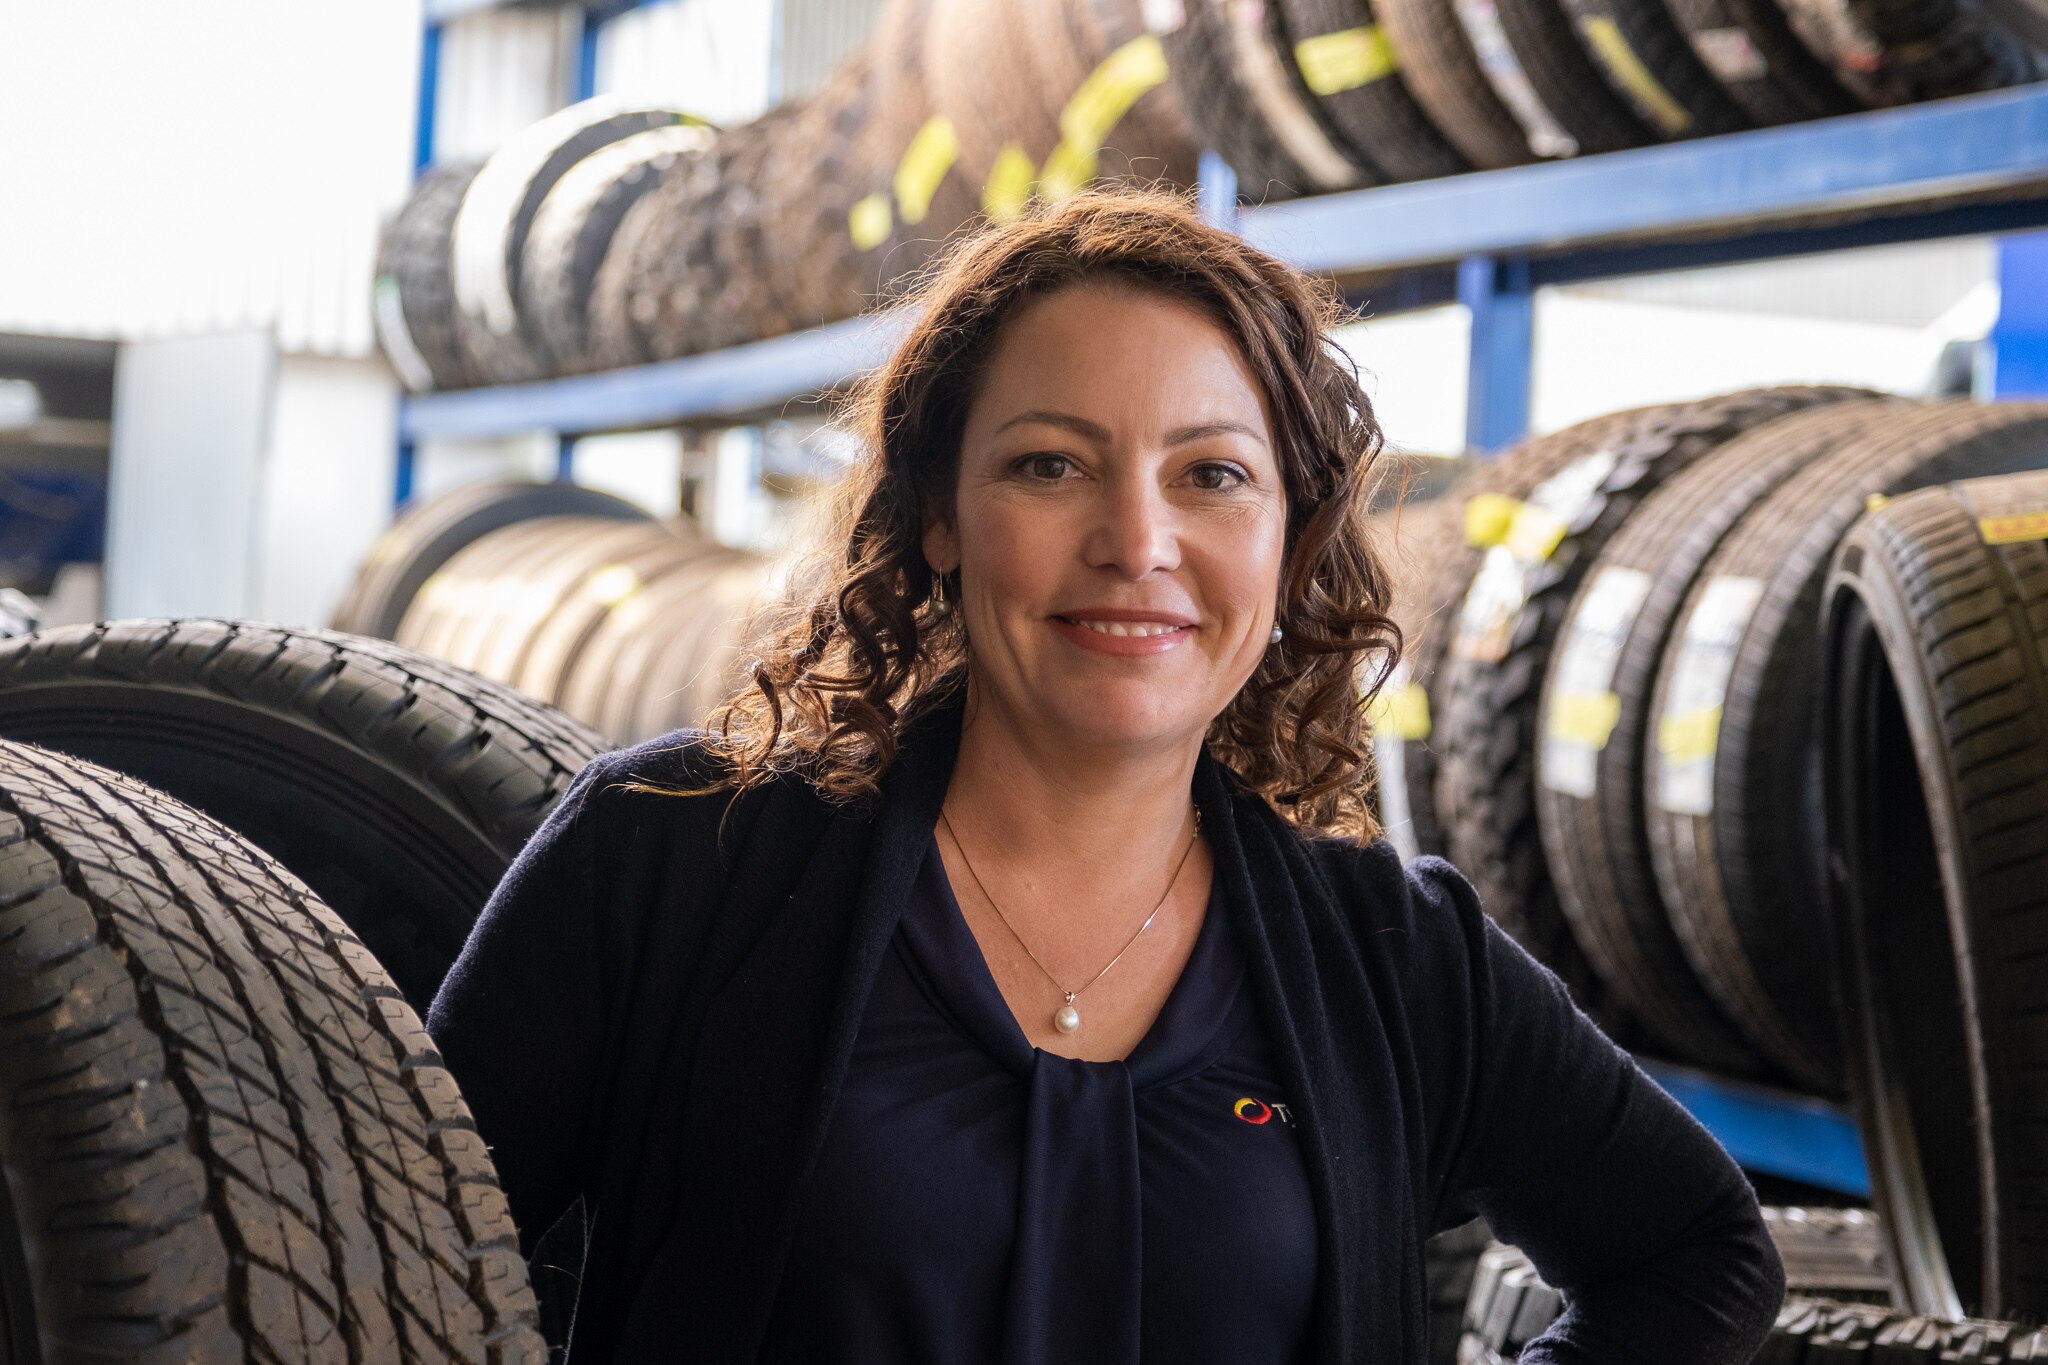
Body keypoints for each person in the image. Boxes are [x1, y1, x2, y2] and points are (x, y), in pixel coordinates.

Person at [426, 186, 1784, 1365]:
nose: (1138, 540)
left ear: (1292, 539)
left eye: (1212, 475)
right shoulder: (670, 859)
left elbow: (1701, 1255)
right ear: (940, 514)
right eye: (1052, 464)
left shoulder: (1386, 955)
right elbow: (384, 1257)